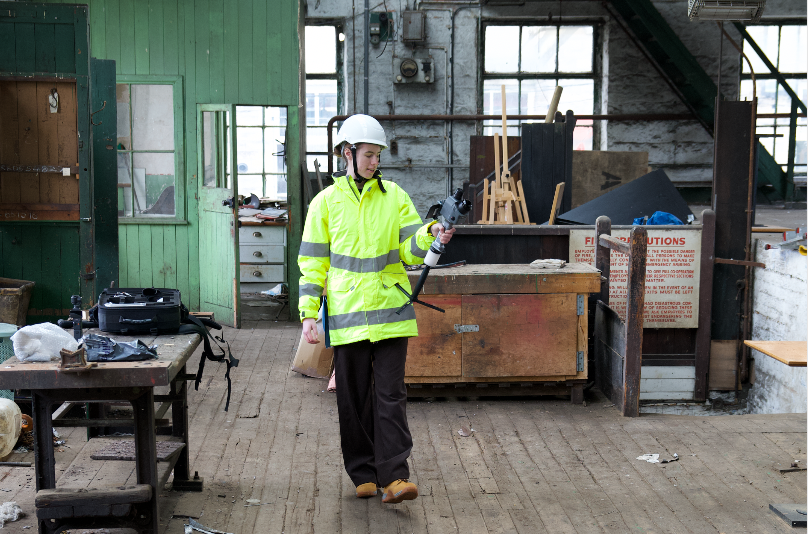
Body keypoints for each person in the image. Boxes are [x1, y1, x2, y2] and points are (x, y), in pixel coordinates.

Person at [297, 114, 454, 504]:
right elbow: (312, 263)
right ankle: (363, 473)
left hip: (390, 313)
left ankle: (395, 476)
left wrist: (430, 233)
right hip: (348, 317)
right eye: (368, 154)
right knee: (352, 399)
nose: (374, 162)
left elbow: (409, 249)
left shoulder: (395, 197)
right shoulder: (325, 204)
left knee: (390, 395)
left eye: (377, 155)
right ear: (347, 154)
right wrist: (308, 312)